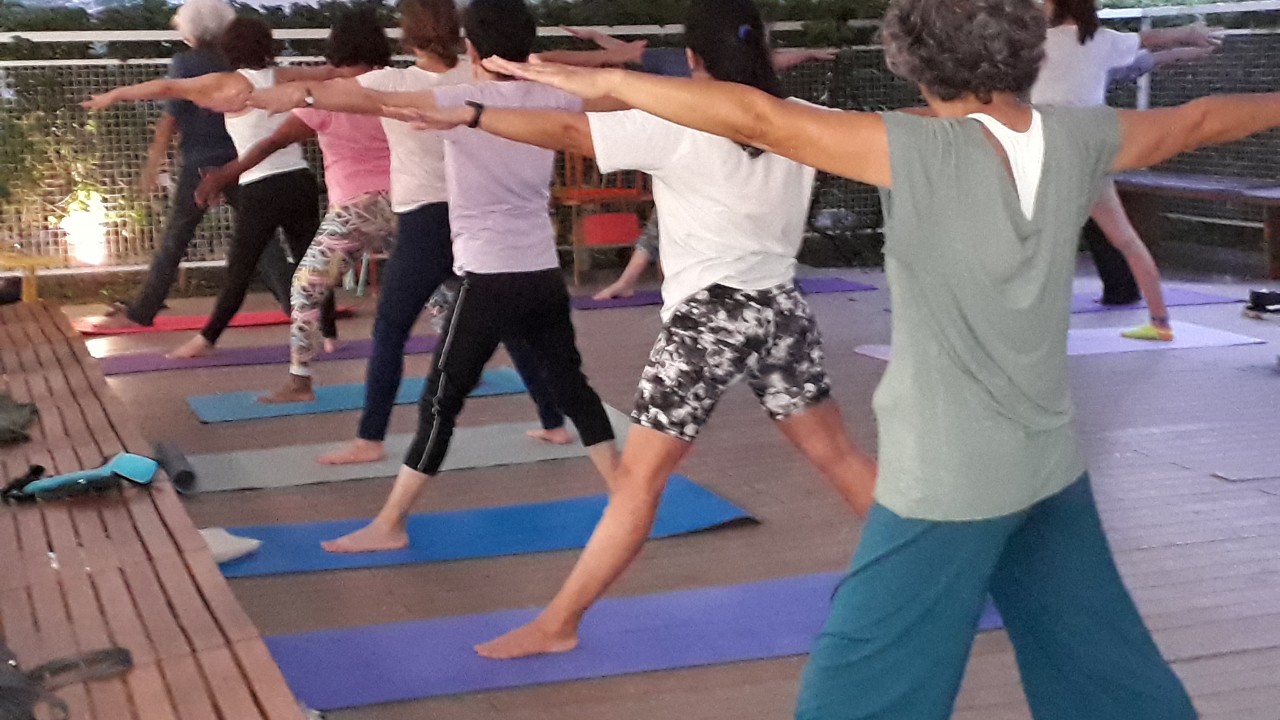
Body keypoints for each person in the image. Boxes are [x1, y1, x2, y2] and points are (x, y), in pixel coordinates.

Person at [480, 0, 1280, 714]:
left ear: (914, 57)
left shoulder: (904, 148)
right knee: (1102, 670)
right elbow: (1205, 117)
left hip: (949, 479)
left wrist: (614, 84)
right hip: (1049, 463)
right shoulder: (1083, 135)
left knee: (858, 691)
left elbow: (754, 119)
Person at [386, 0, 877, 661]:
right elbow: (895, 129)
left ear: (693, 59)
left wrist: (471, 112)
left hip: (708, 320)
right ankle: (926, 571)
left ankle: (560, 621)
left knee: (639, 480)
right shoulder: (805, 121)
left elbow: (566, 134)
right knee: (839, 457)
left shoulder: (675, 121)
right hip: (780, 310)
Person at [249, 0, 620, 551]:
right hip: (542, 271)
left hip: (490, 276)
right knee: (573, 386)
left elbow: (374, 97)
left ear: (473, 49)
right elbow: (623, 93)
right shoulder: (554, 95)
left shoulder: (459, 98)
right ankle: (626, 493)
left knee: (440, 402)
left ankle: (389, 525)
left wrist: (299, 93)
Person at [81, 17, 342, 355]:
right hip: (298, 179)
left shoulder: (225, 84)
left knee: (240, 269)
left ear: (229, 49)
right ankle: (331, 336)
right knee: (312, 259)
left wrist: (114, 94)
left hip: (261, 186)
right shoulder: (283, 76)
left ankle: (207, 339)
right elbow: (332, 73)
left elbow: (166, 88)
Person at [539, 27, 838, 301]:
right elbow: (624, 53)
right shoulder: (795, 114)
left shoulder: (677, 81)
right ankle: (629, 279)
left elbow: (614, 66)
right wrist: (597, 43)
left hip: (702, 163)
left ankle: (629, 279)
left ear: (693, 56)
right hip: (774, 292)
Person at [1031, 0, 1223, 340]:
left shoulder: (1037, 42)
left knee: (1039, 241)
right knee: (1125, 239)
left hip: (1056, 150)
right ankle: (1161, 322)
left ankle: (1031, 324)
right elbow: (1150, 41)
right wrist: (1191, 35)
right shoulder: (1102, 40)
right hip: (1093, 150)